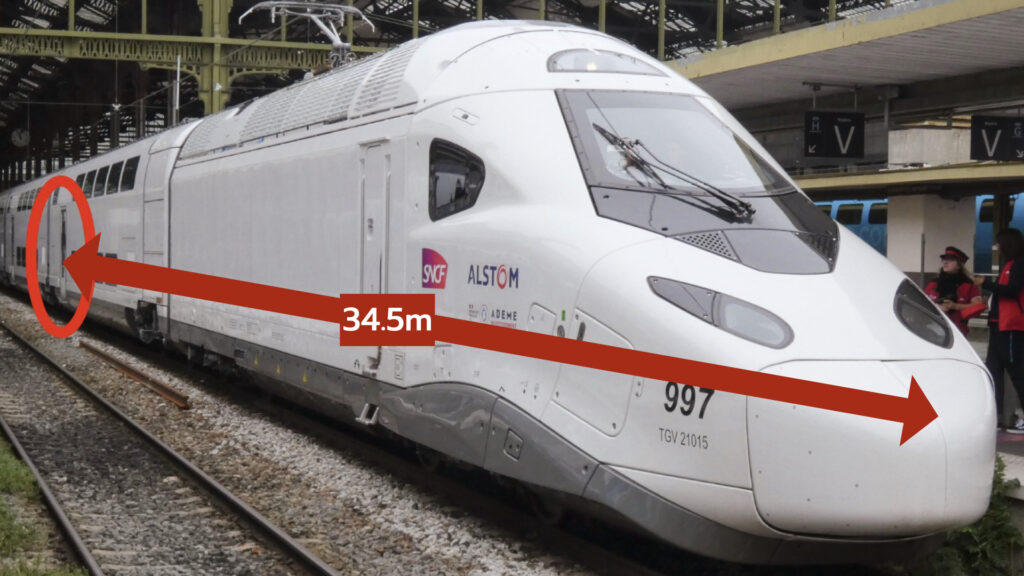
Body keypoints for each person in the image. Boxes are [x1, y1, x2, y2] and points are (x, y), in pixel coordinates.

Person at [976, 229, 1024, 433]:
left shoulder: (1019, 264)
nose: (996, 248)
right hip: (999, 325)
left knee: (1018, 373)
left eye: (998, 243)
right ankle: (994, 416)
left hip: (1013, 326)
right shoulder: (1008, 264)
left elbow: (1012, 291)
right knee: (993, 371)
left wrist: (986, 283)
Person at [924, 246, 984, 336]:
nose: (945, 262)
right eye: (944, 259)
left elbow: (977, 306)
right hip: (932, 329)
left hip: (958, 331)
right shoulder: (934, 283)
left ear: (959, 265)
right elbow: (922, 302)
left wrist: (955, 306)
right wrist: (937, 307)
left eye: (951, 260)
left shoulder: (968, 285)